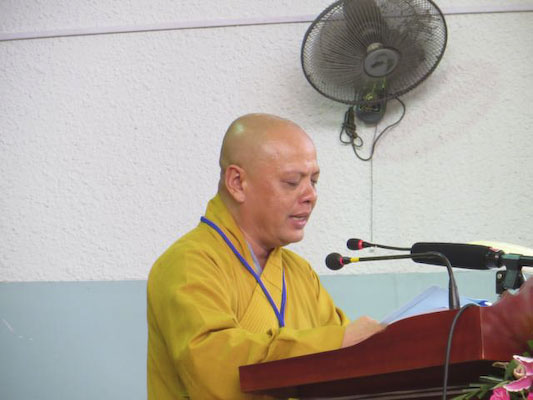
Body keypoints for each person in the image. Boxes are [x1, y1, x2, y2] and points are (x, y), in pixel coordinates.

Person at [147, 113, 385, 399]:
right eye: (292, 182)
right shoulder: (188, 264)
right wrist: (337, 342)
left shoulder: (299, 272)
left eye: (314, 181)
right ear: (237, 182)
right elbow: (217, 368)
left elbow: (346, 371)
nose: (310, 195)